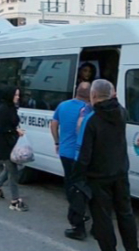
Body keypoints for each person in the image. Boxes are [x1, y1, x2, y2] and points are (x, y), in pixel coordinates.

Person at [72, 79, 138, 251]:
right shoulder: (122, 112)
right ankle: (132, 247)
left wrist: (77, 177)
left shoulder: (91, 119)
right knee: (126, 213)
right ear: (112, 94)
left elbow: (82, 153)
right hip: (120, 171)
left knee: (103, 218)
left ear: (93, 95)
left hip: (98, 177)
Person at [50, 82, 91, 240]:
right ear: (89, 95)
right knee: (82, 186)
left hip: (65, 152)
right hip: (81, 154)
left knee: (70, 184)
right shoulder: (89, 110)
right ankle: (81, 215)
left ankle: (76, 213)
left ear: (76, 92)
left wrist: (57, 142)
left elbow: (53, 125)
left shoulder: (63, 105)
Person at [0, 86, 28, 212]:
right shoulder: (4, 108)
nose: (18, 97)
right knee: (13, 171)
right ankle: (15, 200)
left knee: (13, 167)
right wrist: (16, 131)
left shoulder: (9, 107)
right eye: (16, 95)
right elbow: (2, 127)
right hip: (5, 143)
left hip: (10, 141)